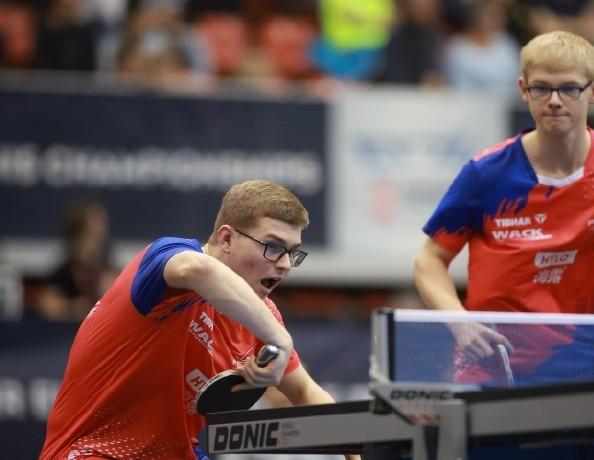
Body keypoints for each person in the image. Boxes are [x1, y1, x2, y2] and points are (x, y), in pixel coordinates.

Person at [41, 180, 357, 460]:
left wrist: (354, 451)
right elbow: (198, 269)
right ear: (227, 239)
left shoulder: (263, 317)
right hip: (93, 451)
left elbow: (305, 392)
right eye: (273, 247)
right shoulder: (166, 259)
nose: (286, 264)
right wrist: (281, 340)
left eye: (293, 252)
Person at [413, 31, 594, 384]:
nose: (555, 101)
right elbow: (429, 261)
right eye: (542, 88)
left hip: (583, 361)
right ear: (523, 90)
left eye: (570, 89)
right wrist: (459, 321)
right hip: (489, 363)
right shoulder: (486, 173)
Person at [35, 201, 116, 321]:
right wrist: (74, 307)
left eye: (99, 235)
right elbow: (47, 304)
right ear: (76, 236)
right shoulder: (65, 273)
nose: (95, 242)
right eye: (90, 234)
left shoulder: (107, 270)